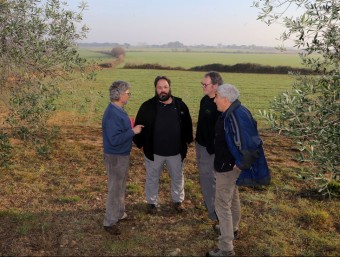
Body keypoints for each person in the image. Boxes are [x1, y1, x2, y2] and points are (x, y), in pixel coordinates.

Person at [207, 84, 269, 256]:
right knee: (232, 198)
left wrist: (241, 163)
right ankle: (232, 228)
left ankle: (226, 247)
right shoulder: (234, 112)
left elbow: (251, 144)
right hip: (228, 165)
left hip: (228, 167)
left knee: (221, 205)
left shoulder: (235, 115)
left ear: (225, 99)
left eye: (217, 96)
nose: (214, 99)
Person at [133, 75, 193, 214]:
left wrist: (187, 141)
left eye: (165, 87)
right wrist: (141, 144)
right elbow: (139, 125)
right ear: (155, 89)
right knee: (152, 178)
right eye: (159, 87)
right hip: (154, 152)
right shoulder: (147, 106)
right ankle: (152, 203)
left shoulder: (180, 105)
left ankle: (178, 201)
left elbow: (188, 124)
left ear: (169, 88)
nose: (163, 90)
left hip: (176, 152)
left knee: (178, 177)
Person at [102, 80, 144, 235]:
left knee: (120, 186)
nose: (129, 95)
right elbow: (114, 139)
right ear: (119, 94)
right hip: (115, 156)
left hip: (121, 155)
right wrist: (133, 131)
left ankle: (119, 213)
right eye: (128, 93)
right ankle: (109, 221)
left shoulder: (118, 109)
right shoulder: (113, 113)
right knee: (115, 188)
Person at [195, 71, 223, 226]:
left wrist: (212, 149)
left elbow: (220, 131)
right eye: (202, 84)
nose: (203, 87)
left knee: (208, 179)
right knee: (204, 177)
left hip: (210, 150)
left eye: (205, 85)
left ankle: (215, 213)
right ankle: (209, 203)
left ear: (215, 86)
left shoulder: (220, 105)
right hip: (200, 145)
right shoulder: (204, 100)